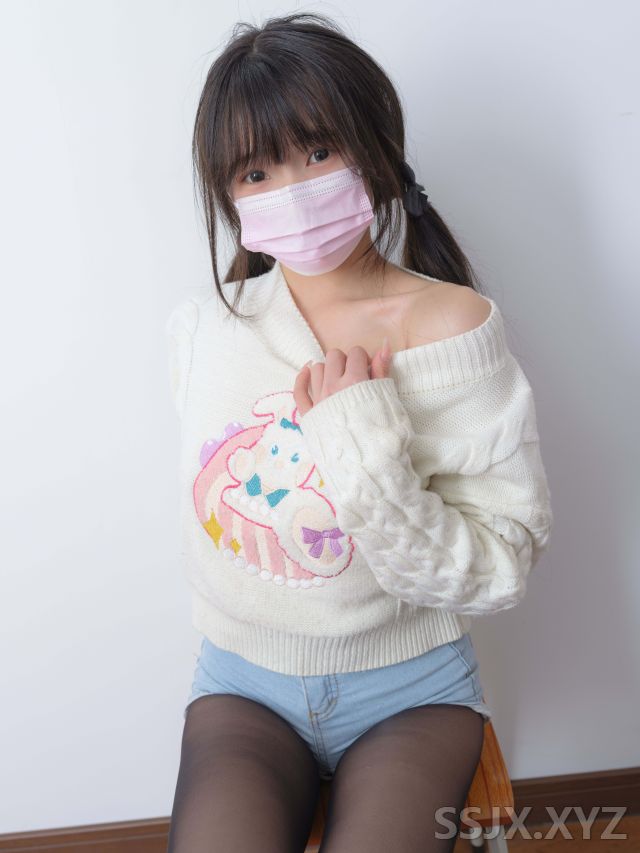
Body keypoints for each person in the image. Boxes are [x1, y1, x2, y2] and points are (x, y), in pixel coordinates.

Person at [165, 12, 553, 853]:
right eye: (256, 170)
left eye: (318, 152)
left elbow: (499, 568)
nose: (292, 190)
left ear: (375, 149)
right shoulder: (205, 329)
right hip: (241, 684)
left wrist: (358, 441)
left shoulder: (454, 325)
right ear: (227, 194)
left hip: (411, 691)